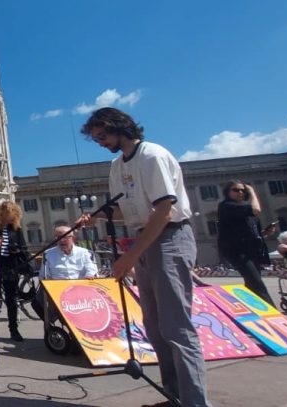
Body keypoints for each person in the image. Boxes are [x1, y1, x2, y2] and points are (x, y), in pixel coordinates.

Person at [78, 108, 209, 407]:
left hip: (170, 237)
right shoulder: (116, 166)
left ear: (119, 128)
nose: (100, 141)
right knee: (155, 325)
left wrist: (129, 257)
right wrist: (97, 216)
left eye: (103, 135)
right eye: (96, 138)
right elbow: (127, 209)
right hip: (145, 239)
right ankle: (174, 396)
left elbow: (163, 209)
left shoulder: (152, 155)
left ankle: (196, 403)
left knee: (176, 326)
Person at [217, 181, 276, 306]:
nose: (240, 192)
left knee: (252, 284)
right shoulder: (227, 206)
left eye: (243, 190)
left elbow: (251, 232)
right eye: (236, 190)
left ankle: (248, 309)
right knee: (257, 284)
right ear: (228, 192)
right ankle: (275, 315)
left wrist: (265, 233)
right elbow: (256, 209)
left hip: (251, 250)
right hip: (236, 251)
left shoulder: (245, 209)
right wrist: (252, 191)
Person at [0, 200, 28, 342]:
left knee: (12, 300)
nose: (12, 218)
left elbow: (23, 246)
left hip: (11, 266)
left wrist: (24, 260)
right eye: (9, 215)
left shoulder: (16, 228)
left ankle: (14, 329)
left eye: (14, 215)